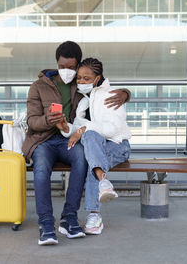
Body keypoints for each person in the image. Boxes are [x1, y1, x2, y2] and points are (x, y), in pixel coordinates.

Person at [22, 41, 131, 245]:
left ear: (78, 66)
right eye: (62, 67)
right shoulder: (38, 86)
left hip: (69, 139)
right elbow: (31, 121)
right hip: (43, 140)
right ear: (57, 64)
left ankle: (69, 216)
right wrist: (49, 121)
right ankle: (46, 223)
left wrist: (125, 94)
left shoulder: (80, 85)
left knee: (82, 160)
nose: (67, 71)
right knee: (42, 168)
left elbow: (101, 87)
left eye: (72, 67)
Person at [57, 57, 132, 235]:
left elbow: (113, 129)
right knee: (91, 147)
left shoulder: (111, 95)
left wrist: (83, 129)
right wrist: (65, 128)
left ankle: (94, 214)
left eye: (86, 78)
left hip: (118, 145)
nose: (81, 82)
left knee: (90, 144)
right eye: (79, 78)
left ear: (97, 79)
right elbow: (77, 127)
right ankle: (103, 181)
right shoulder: (84, 101)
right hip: (97, 147)